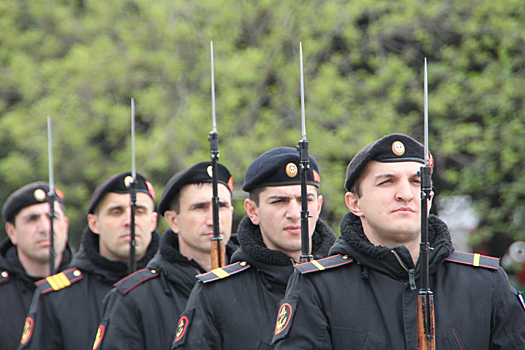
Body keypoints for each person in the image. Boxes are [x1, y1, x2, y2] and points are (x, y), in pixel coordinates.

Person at [271, 134, 525, 349]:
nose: (405, 194)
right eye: (387, 181)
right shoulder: (318, 287)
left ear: (429, 198)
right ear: (355, 203)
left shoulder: (485, 283)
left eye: (416, 181)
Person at [172, 147, 336, 350]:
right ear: (252, 211)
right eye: (279, 201)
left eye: (305, 200)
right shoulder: (216, 294)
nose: (295, 213)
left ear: (318, 206)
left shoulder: (347, 280)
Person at [92, 161, 238, 350]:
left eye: (221, 206)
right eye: (199, 207)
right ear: (173, 220)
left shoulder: (255, 282)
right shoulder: (133, 298)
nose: (213, 220)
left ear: (231, 212)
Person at [18, 172, 159, 350]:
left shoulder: (175, 287)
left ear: (153, 221)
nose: (129, 221)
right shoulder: (57, 297)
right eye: (116, 212)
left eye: (139, 211)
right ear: (94, 223)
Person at [0, 182, 73, 350]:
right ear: (12, 232)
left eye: (52, 216)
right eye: (32, 219)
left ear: (66, 225)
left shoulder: (88, 286)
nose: (45, 228)